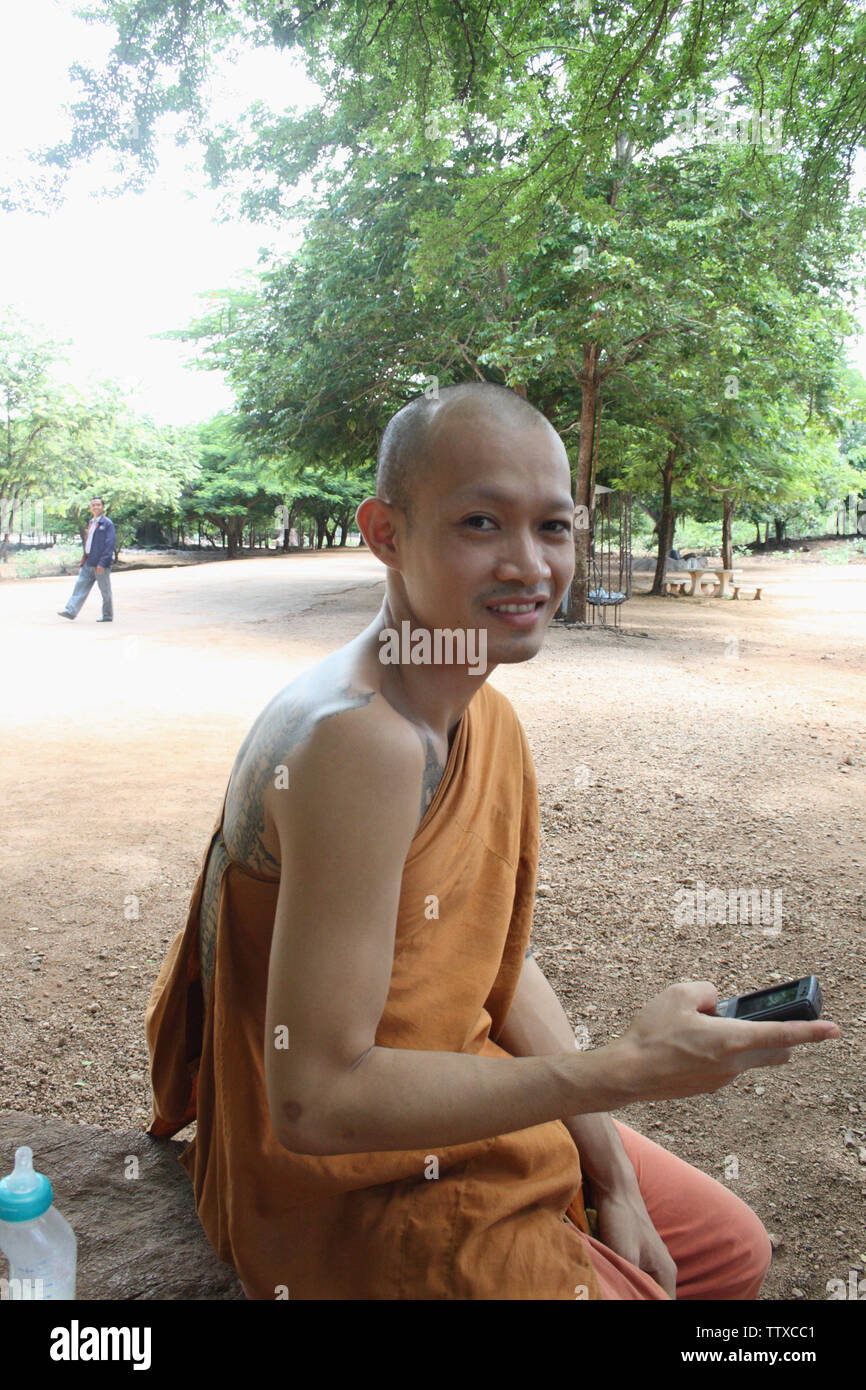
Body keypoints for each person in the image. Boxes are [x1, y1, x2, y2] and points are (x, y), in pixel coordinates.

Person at [145, 382, 840, 1300]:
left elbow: (486, 957)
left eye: (553, 527)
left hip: (460, 1094)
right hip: (351, 1180)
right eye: (482, 522)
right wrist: (619, 1071)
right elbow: (313, 1101)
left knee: (733, 1253)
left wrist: (615, 1176)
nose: (530, 565)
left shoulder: (481, 712)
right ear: (385, 533)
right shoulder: (359, 741)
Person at [58, 497, 115, 622]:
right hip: (88, 562)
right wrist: (84, 560)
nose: (96, 507)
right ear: (90, 508)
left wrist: (102, 562)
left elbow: (110, 545)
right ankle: (70, 611)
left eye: (98, 505)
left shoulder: (107, 524)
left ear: (103, 507)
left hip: (100, 564)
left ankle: (107, 615)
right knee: (80, 587)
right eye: (93, 505)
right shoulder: (91, 522)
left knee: (105, 591)